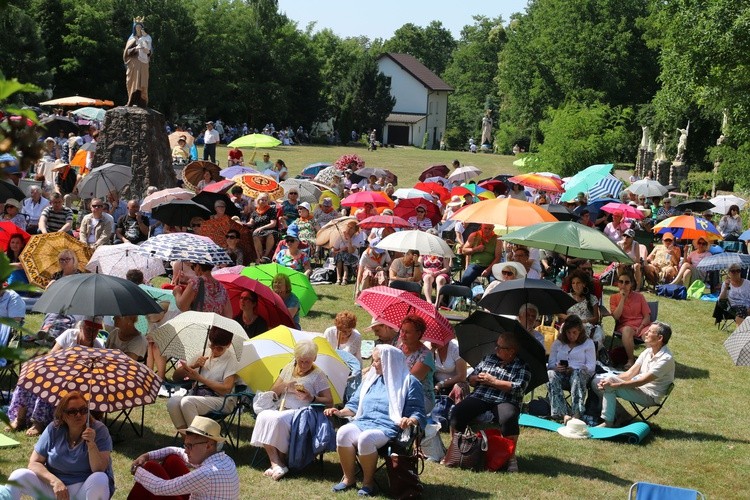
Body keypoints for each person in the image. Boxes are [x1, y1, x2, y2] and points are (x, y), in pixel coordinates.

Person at [324, 345, 426, 496]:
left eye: (377, 361)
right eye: (373, 360)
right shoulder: (370, 379)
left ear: (389, 362)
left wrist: (409, 420)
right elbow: (353, 405)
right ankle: (349, 479)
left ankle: (368, 483)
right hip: (363, 421)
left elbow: (417, 411)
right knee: (343, 433)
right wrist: (339, 412)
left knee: (366, 438)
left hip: (388, 426)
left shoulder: (409, 382)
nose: (373, 364)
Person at [2, 391, 114, 500]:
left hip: (83, 490)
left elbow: (99, 469)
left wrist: (92, 444)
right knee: (19, 475)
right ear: (63, 415)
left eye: (83, 410)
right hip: (55, 490)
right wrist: (54, 481)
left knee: (100, 478)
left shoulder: (99, 430)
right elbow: (34, 463)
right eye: (72, 411)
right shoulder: (54, 428)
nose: (79, 414)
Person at [447, 332, 530, 472]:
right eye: (495, 345)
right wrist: (475, 378)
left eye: (500, 347)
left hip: (506, 399)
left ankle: (510, 457)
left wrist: (494, 381)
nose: (496, 349)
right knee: (458, 412)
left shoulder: (522, 366)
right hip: (481, 395)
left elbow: (518, 388)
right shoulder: (488, 359)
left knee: (509, 416)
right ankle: (455, 449)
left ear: (511, 351)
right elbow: (471, 378)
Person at [7, 317, 105, 436]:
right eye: (88, 329)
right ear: (81, 327)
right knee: (31, 376)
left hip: (79, 382)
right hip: (58, 371)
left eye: (95, 331)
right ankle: (19, 418)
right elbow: (51, 357)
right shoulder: (69, 335)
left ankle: (39, 423)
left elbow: (98, 373)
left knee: (51, 385)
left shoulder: (98, 347)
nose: (91, 333)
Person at [250, 340, 333, 481]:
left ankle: (278, 463)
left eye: (308, 361)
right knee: (263, 415)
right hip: (282, 407)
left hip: (303, 412)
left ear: (315, 359)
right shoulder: (289, 368)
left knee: (277, 419)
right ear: (296, 357)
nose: (304, 365)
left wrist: (311, 397)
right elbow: (272, 391)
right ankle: (277, 463)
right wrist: (284, 385)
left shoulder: (318, 375)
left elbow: (329, 401)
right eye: (301, 361)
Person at [128, 415, 240, 500]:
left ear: (208, 445)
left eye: (190, 446)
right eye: (185, 445)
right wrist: (147, 455)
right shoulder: (225, 459)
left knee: (151, 468)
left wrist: (137, 470)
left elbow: (160, 488)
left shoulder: (206, 474)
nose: (186, 450)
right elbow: (176, 451)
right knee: (172, 459)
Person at [592, 322, 675, 427]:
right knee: (597, 381)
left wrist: (615, 384)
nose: (646, 333)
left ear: (660, 338)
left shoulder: (666, 359)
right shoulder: (647, 351)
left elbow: (642, 381)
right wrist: (609, 380)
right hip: (638, 387)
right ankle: (623, 415)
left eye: (650, 331)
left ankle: (608, 422)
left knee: (609, 385)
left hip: (649, 395)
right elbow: (629, 374)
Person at [166, 326, 239, 431]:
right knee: (172, 402)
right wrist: (194, 366)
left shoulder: (231, 360)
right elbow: (176, 377)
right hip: (199, 395)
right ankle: (188, 440)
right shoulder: (204, 352)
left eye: (219, 348)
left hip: (222, 400)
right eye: (212, 345)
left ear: (228, 345)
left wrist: (200, 379)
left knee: (187, 402)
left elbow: (226, 389)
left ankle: (201, 440)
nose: (214, 350)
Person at [547, 315, 596, 422]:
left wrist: (574, 368)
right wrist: (557, 367)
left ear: (580, 332)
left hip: (580, 376)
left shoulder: (588, 343)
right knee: (550, 374)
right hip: (562, 374)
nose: (571, 336)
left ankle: (576, 413)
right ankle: (562, 414)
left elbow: (591, 367)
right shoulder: (558, 343)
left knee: (577, 374)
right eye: (568, 332)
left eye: (574, 332)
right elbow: (550, 364)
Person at [610, 268, 652, 369]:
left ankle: (650, 363)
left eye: (627, 282)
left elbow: (647, 316)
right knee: (627, 330)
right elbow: (616, 316)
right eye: (621, 282)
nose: (623, 285)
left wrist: (641, 327)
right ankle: (631, 360)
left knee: (650, 334)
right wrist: (623, 299)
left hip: (642, 324)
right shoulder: (614, 298)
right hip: (625, 325)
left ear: (631, 284)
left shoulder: (640, 297)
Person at [399, 315, 435, 414]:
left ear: (418, 334)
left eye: (408, 332)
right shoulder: (400, 348)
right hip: (399, 391)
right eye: (402, 331)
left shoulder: (425, 355)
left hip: (420, 396)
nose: (403, 335)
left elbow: (410, 380)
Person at [558, 269, 601, 340]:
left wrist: (584, 321)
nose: (575, 285)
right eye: (573, 283)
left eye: (578, 283)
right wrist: (567, 317)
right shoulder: (566, 297)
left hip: (586, 326)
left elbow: (596, 318)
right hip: (569, 325)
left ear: (584, 284)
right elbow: (558, 313)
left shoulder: (592, 298)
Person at [124, 19, 152, 107]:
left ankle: (142, 101)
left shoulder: (147, 38)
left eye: (140, 27)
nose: (138, 29)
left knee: (143, 82)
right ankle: (131, 100)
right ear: (134, 28)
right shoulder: (132, 39)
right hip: (134, 64)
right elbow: (127, 52)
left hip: (143, 64)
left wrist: (147, 51)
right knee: (132, 82)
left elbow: (150, 52)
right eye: (137, 27)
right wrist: (136, 49)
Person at [247, 193, 278, 263]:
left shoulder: (271, 210)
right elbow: (251, 223)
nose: (264, 201)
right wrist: (243, 223)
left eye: (265, 200)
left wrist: (262, 228)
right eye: (262, 200)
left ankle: (265, 256)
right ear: (258, 200)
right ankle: (260, 257)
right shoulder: (255, 212)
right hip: (258, 231)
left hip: (269, 229)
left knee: (270, 235)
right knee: (255, 236)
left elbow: (273, 223)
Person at [332, 220, 360, 285]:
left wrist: (349, 240)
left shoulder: (356, 238)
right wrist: (340, 250)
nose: (349, 229)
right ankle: (338, 279)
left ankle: (345, 278)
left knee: (345, 256)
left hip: (353, 258)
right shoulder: (340, 236)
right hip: (340, 257)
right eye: (348, 226)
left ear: (355, 231)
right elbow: (334, 251)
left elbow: (351, 251)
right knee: (340, 255)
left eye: (351, 228)